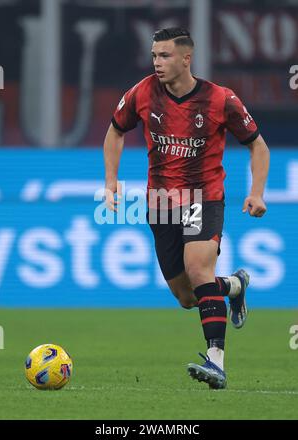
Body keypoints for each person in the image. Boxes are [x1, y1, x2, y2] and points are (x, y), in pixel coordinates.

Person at [103, 27, 269, 389]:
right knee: (187, 296)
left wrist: (256, 192)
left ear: (186, 59)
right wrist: (111, 182)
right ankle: (235, 286)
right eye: (154, 56)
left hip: (202, 197)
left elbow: (258, 146)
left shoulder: (220, 99)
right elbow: (115, 130)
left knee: (198, 268)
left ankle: (217, 363)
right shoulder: (143, 92)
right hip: (160, 203)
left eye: (164, 56)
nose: (157, 63)